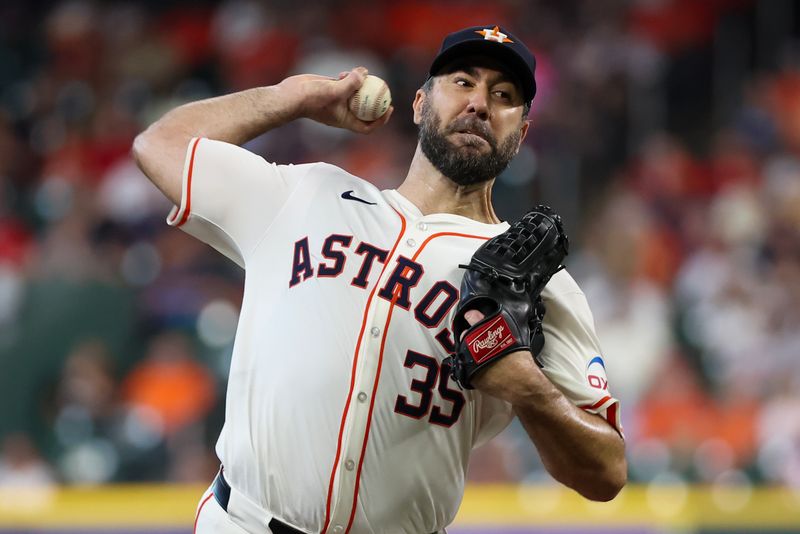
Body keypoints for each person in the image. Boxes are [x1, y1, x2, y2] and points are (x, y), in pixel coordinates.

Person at [133, 24, 626, 534]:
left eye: (503, 96)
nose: (480, 103)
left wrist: (528, 388)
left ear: (521, 133)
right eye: (462, 81)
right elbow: (159, 145)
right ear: (418, 104)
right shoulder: (307, 195)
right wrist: (291, 98)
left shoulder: (536, 280)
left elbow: (606, 471)